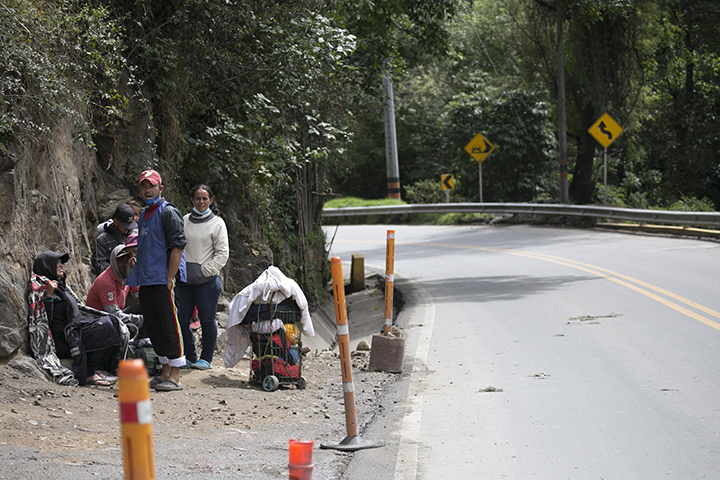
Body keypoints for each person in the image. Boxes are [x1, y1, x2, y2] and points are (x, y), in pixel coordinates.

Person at [126, 169, 188, 392]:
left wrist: (170, 278)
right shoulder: (143, 214)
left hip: (164, 281)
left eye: (151, 185)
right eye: (143, 186)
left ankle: (176, 376)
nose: (147, 189)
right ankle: (164, 373)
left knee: (171, 326)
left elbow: (178, 246)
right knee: (154, 327)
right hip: (146, 280)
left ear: (160, 188)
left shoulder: (168, 212)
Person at [30, 251, 129, 386]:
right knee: (104, 327)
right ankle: (89, 373)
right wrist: (48, 296)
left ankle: (100, 368)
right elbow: (43, 319)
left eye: (61, 263)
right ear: (47, 266)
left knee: (113, 322)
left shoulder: (61, 286)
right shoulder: (43, 288)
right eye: (57, 263)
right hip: (63, 338)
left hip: (75, 329)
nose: (61, 266)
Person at [177, 184, 229, 370]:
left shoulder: (217, 223)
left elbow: (222, 253)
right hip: (184, 281)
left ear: (211, 200)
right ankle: (190, 356)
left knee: (207, 320)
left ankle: (206, 359)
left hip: (207, 282)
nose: (201, 202)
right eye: (197, 198)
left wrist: (205, 270)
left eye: (204, 198)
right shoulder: (184, 221)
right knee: (182, 319)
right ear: (192, 199)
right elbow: (177, 247)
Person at [86, 244, 144, 331]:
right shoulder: (106, 282)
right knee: (131, 328)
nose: (125, 264)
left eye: (127, 260)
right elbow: (113, 313)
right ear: (114, 262)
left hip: (115, 314)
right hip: (100, 320)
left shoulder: (127, 274)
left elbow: (138, 294)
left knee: (147, 308)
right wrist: (139, 319)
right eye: (121, 261)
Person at [93, 203, 137, 273]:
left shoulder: (133, 235)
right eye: (125, 225)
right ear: (115, 221)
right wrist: (118, 271)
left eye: (130, 225)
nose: (128, 228)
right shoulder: (102, 240)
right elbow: (99, 263)